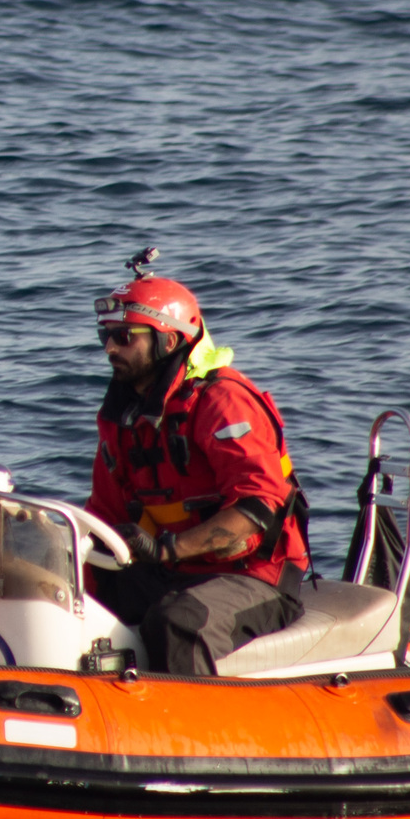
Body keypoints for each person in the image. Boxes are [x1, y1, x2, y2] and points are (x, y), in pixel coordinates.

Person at [84, 262, 309, 676]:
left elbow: (258, 508)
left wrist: (167, 549)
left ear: (168, 341)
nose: (109, 349)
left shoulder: (221, 402)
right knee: (75, 603)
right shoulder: (123, 416)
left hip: (255, 574)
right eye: (105, 336)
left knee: (179, 622)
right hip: (172, 569)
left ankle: (190, 733)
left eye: (123, 337)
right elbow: (104, 512)